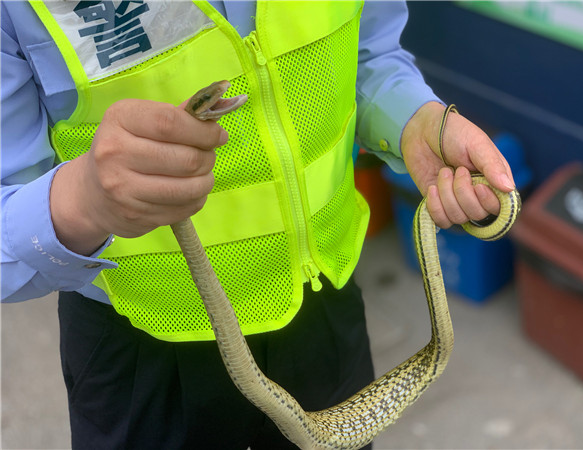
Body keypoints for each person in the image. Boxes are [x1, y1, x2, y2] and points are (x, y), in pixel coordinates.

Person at [1, 1, 515, 449]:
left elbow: (369, 55)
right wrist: (84, 199)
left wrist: (414, 120)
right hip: (143, 353)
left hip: (326, 305)